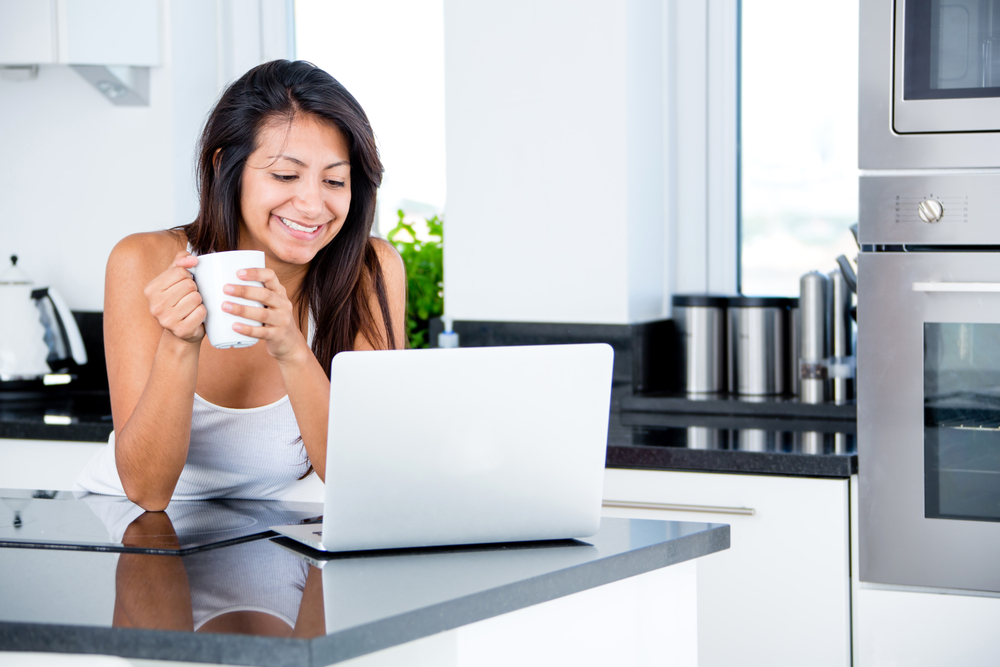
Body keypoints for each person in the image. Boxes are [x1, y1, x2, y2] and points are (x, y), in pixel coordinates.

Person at [76, 60, 406, 511]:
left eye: (334, 180)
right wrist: (179, 342)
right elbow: (147, 492)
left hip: (266, 535)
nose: (313, 205)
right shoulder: (143, 261)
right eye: (285, 175)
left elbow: (368, 479)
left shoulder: (369, 269)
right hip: (134, 528)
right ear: (224, 166)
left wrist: (292, 347)